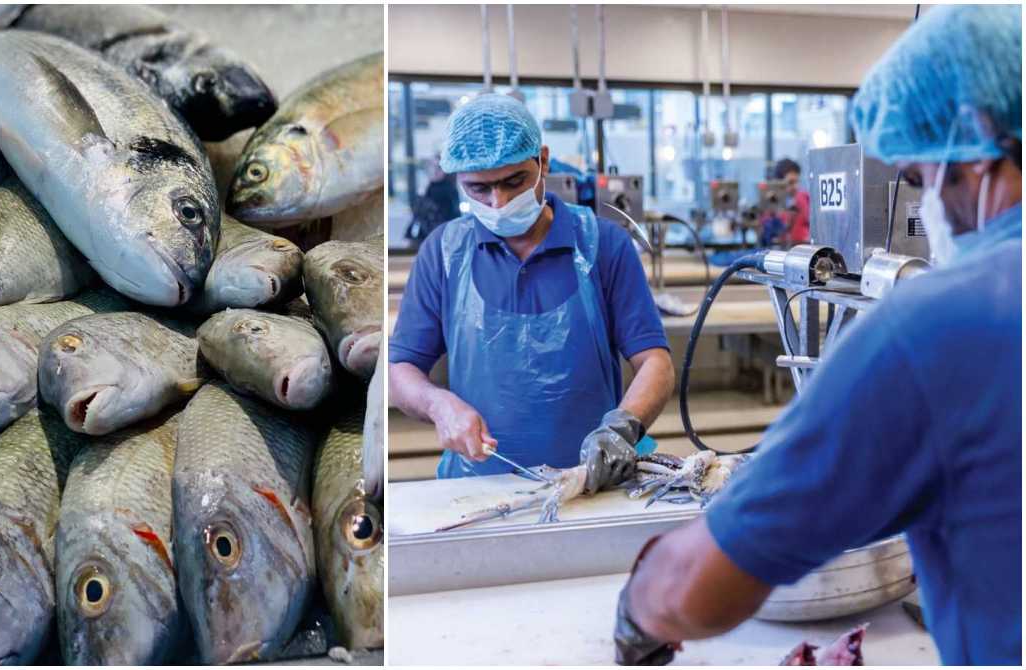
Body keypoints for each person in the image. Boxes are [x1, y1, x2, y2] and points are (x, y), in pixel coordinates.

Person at [613, 5, 1021, 665]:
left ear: (974, 148)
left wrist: (636, 613)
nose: (922, 208)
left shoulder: (938, 326)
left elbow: (701, 585)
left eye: (917, 180)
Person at [389, 93, 674, 491]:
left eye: (513, 181)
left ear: (541, 160)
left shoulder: (602, 244)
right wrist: (439, 406)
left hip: (592, 484)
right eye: (479, 188)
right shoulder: (443, 252)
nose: (499, 202)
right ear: (457, 180)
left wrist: (622, 430)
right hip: (475, 490)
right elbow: (400, 370)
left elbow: (655, 363)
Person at [406, 156, 461, 244]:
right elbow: (415, 212)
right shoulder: (426, 187)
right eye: (432, 166)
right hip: (421, 236)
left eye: (439, 167)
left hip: (440, 236)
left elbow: (452, 215)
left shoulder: (449, 190)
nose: (435, 171)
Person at [773, 158, 811, 244]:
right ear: (778, 183)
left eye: (797, 182)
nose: (795, 187)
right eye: (790, 182)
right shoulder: (771, 206)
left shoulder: (804, 198)